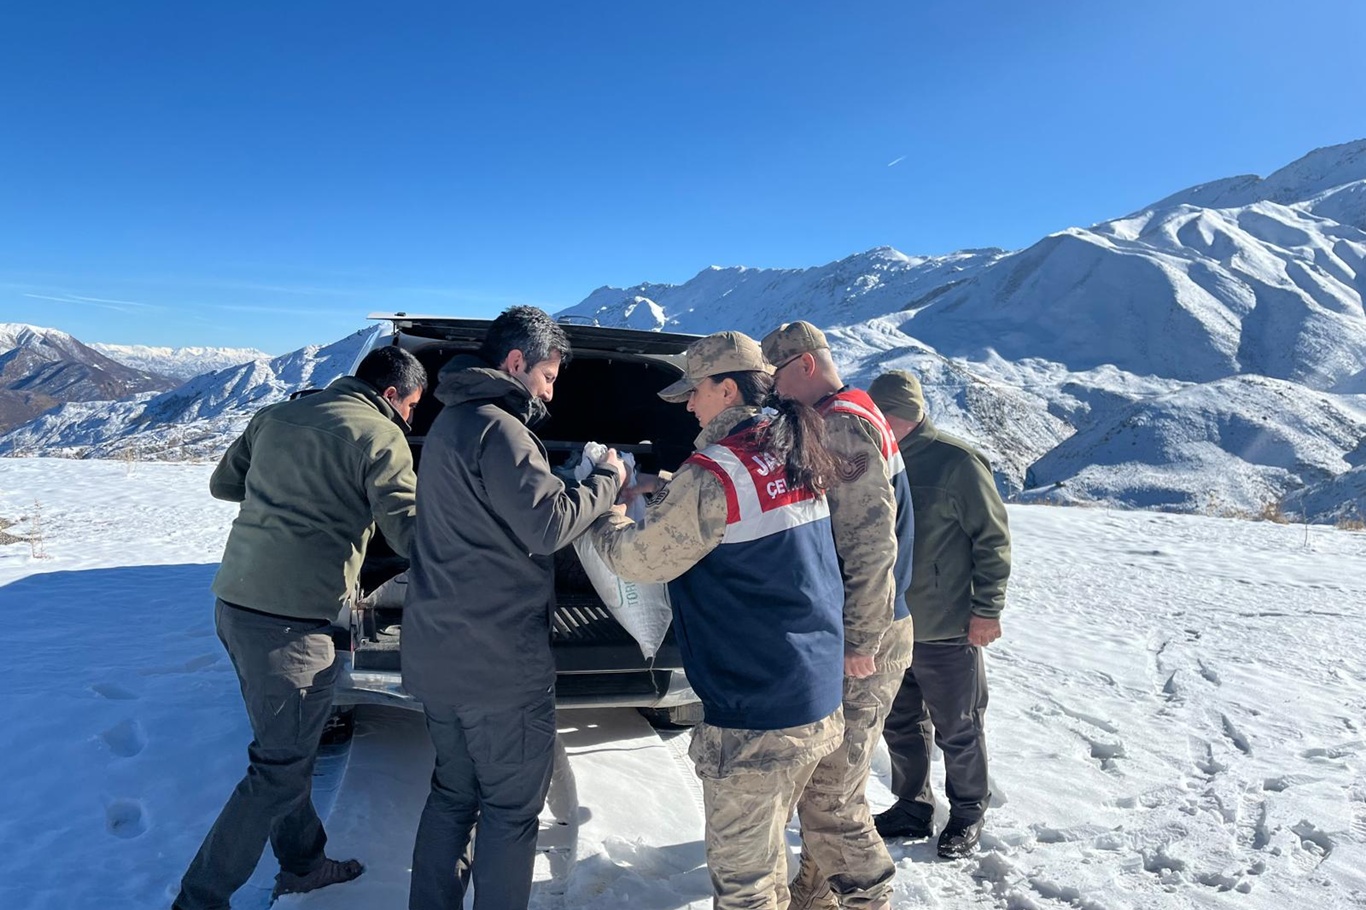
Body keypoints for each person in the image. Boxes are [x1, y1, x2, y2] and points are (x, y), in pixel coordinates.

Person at [589, 331, 847, 910]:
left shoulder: (718, 470)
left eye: (695, 391)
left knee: (746, 885)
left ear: (727, 388)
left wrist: (607, 516)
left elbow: (641, 560)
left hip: (757, 707)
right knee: (775, 848)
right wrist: (666, 490)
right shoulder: (791, 442)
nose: (687, 404)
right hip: (815, 686)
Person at [172, 345, 426, 910]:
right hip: (292, 626)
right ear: (391, 395)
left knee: (284, 754)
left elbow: (224, 486)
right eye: (412, 406)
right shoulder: (382, 437)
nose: (411, 418)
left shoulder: (277, 415)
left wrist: (291, 487)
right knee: (278, 771)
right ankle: (198, 900)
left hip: (234, 604)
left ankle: (305, 865)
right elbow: (411, 536)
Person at [402, 305, 625, 910]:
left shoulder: (454, 421)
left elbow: (505, 509)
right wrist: (606, 479)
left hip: (439, 656)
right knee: (508, 812)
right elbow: (547, 525)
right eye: (549, 376)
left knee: (453, 797)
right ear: (517, 361)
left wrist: (561, 478)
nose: (552, 391)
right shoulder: (500, 428)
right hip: (497, 666)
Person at [759, 322, 915, 909]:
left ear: (802, 364)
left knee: (830, 797)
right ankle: (813, 896)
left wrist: (860, 641)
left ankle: (867, 896)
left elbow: (871, 543)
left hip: (867, 636)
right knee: (828, 781)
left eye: (776, 378)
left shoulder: (842, 424)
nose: (775, 393)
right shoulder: (852, 410)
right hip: (868, 629)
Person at [867, 369, 1011, 859]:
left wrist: (986, 611)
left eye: (881, 417)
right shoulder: (873, 459)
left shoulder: (957, 463)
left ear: (901, 416)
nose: (874, 424)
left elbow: (992, 541)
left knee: (959, 725)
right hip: (889, 625)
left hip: (946, 627)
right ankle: (913, 806)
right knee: (900, 723)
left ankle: (968, 812)